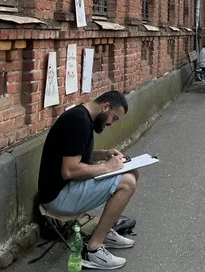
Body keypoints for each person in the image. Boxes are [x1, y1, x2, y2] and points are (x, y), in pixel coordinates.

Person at [37, 91, 137, 270]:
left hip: (66, 188)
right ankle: (93, 249)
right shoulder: (78, 122)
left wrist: (103, 154)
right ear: (106, 107)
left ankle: (104, 232)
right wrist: (107, 167)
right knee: (127, 182)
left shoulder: (83, 117)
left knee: (133, 172)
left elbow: (74, 154)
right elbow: (69, 170)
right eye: (113, 118)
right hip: (58, 197)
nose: (110, 124)